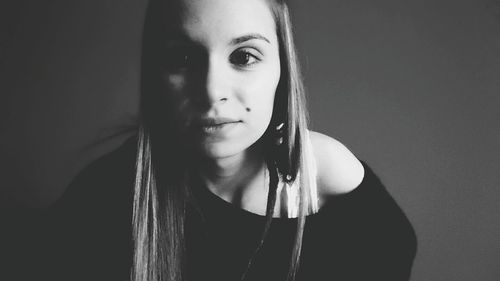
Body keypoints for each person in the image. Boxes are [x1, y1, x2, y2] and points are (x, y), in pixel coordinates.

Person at [46, 0, 417, 280]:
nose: (211, 91)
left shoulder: (325, 174)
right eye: (183, 57)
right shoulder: (103, 197)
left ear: (282, 70)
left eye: (244, 56)